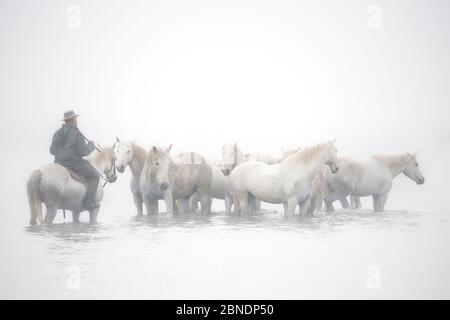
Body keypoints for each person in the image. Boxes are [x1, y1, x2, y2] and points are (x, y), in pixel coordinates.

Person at [50, 110, 100, 210]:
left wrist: (61, 154)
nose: (77, 121)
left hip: (58, 163)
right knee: (95, 176)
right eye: (76, 119)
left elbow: (52, 151)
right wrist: (91, 145)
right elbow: (83, 152)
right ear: (72, 120)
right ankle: (89, 203)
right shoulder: (76, 133)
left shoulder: (57, 133)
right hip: (73, 163)